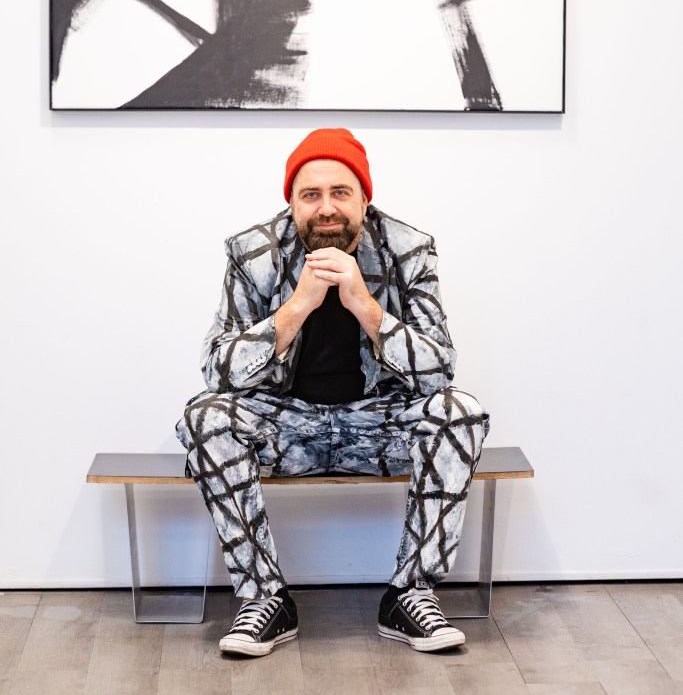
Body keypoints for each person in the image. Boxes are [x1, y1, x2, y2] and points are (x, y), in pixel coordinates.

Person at [177, 128, 489, 657]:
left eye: (341, 192)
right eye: (311, 195)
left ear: (365, 199)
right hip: (282, 427)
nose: (326, 208)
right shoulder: (252, 252)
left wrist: (365, 304)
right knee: (205, 416)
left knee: (461, 411)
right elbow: (217, 372)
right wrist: (297, 305)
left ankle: (410, 594)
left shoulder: (409, 250)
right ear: (292, 203)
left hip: (380, 424)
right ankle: (264, 598)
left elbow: (440, 371)